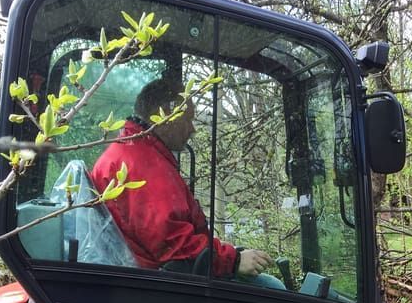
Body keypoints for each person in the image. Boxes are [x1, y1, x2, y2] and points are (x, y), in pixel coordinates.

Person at [91, 79, 275, 282]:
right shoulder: (142, 165)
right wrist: (233, 260)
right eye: (188, 120)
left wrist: (225, 253)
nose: (192, 129)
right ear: (167, 116)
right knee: (269, 286)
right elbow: (173, 246)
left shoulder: (134, 151)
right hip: (155, 286)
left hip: (151, 277)